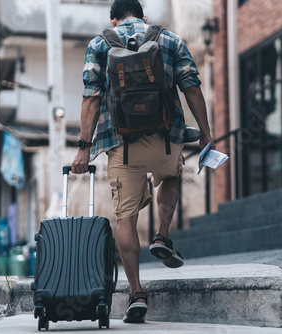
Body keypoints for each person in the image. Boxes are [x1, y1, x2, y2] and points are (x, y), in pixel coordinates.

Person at [71, 0, 214, 324]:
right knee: (172, 175)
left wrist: (83, 148)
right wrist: (205, 133)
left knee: (125, 217)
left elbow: (91, 98)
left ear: (113, 19)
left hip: (121, 144)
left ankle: (137, 293)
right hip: (166, 138)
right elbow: (191, 85)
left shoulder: (99, 44)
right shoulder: (169, 39)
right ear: (143, 16)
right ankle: (162, 235)